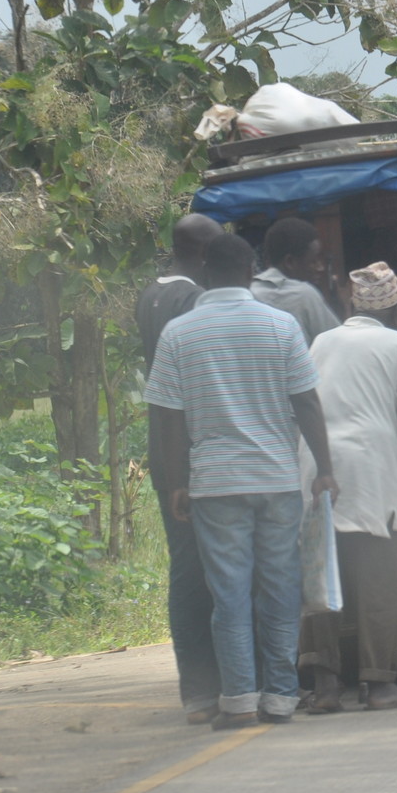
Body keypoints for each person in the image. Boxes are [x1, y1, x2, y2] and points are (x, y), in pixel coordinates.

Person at [147, 234, 337, 729]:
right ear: (251, 271)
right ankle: (279, 697)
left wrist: (176, 482)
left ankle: (238, 701)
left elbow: (167, 416)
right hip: (275, 477)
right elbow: (306, 402)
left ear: (206, 269)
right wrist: (325, 468)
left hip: (214, 483)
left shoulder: (178, 334)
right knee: (279, 591)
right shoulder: (280, 326)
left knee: (228, 596)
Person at [300, 263, 397, 714]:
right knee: (380, 581)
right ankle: (380, 684)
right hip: (371, 473)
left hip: (321, 468)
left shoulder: (322, 341)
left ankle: (326, 687)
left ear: (352, 304)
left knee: (325, 579)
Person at [136, 213, 225, 726]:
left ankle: (196, 686)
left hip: (163, 450)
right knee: (206, 570)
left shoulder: (149, 293)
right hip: (190, 451)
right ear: (203, 253)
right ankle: (208, 686)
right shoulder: (192, 300)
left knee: (186, 567)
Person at [253, 216, 341, 344]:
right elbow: (336, 344)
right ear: (289, 262)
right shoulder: (304, 295)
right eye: (313, 261)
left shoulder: (249, 292)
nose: (320, 267)